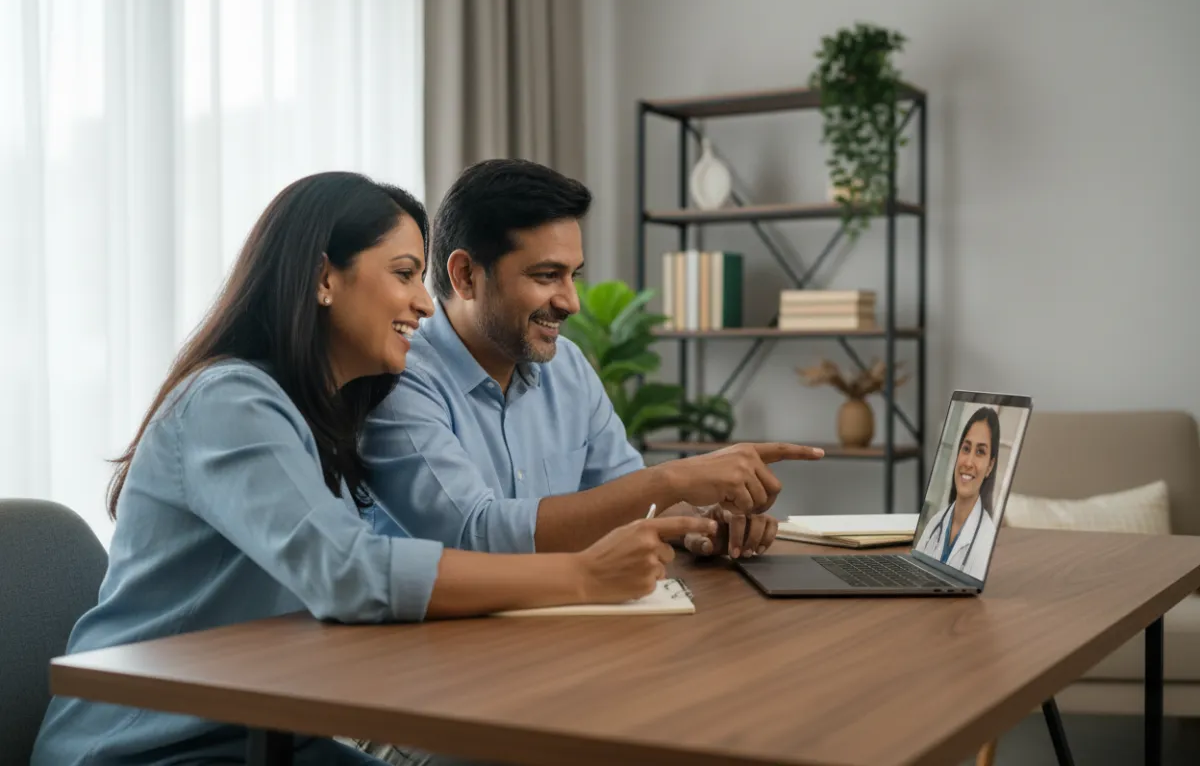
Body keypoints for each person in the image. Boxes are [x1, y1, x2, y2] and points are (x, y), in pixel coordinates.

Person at [29, 172, 716, 766]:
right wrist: (583, 575)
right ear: (325, 277)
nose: (423, 303)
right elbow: (350, 573)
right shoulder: (228, 402)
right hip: (145, 746)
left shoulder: (327, 415)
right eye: (403, 275)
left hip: (265, 735)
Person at [359, 158, 824, 564]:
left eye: (573, 275)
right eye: (547, 276)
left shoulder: (568, 368)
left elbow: (631, 503)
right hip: (435, 651)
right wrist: (673, 478)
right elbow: (475, 534)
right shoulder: (397, 377)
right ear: (465, 275)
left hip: (557, 629)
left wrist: (704, 525)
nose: (571, 302)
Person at [913, 406, 1001, 578]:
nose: (968, 462)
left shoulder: (987, 540)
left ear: (990, 466)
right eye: (966, 449)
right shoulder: (935, 523)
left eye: (980, 452)